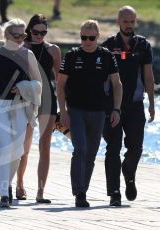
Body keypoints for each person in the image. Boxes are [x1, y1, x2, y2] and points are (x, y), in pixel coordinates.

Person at [57, 20, 122, 208]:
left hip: (98, 112)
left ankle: (83, 188)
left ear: (97, 37)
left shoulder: (107, 56)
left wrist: (116, 109)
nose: (87, 41)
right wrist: (63, 111)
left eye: (91, 38)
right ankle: (80, 192)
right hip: (76, 110)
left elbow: (117, 84)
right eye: (83, 37)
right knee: (80, 149)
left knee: (91, 154)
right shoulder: (71, 56)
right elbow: (60, 85)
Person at [0, 18, 42, 208]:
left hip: (21, 107)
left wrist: (23, 87)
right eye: (17, 35)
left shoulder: (28, 54)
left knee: (17, 150)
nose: (21, 38)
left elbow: (38, 83)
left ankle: (7, 183)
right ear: (6, 35)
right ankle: (4, 193)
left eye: (24, 35)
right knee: (4, 148)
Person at [102, 5, 155, 206]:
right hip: (111, 105)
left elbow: (148, 76)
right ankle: (114, 192)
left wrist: (151, 102)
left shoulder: (143, 45)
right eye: (125, 21)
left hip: (134, 104)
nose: (129, 25)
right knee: (112, 148)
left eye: (132, 21)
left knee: (136, 147)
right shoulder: (107, 46)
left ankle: (129, 172)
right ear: (118, 22)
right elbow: (101, 78)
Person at [16, 14, 61, 203]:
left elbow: (60, 80)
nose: (39, 35)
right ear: (29, 31)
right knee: (24, 146)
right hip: (26, 98)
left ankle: (40, 192)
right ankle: (19, 184)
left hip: (47, 98)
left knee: (45, 146)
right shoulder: (20, 48)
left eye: (43, 32)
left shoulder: (53, 50)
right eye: (35, 32)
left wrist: (64, 107)